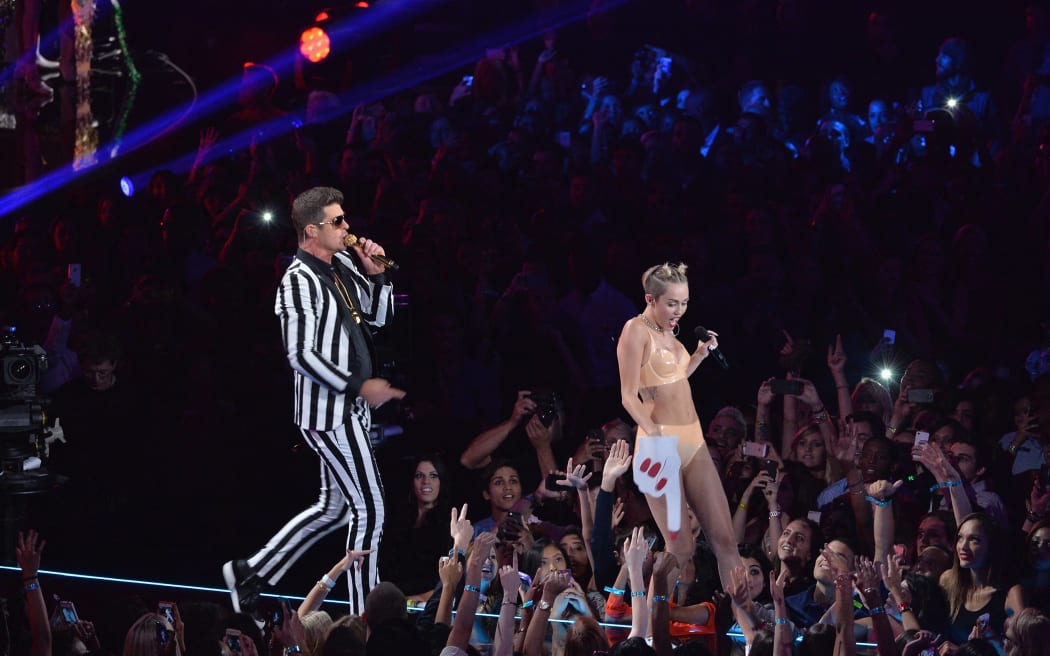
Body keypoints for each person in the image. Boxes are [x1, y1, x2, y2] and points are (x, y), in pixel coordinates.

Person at [223, 186, 405, 616]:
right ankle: (366, 617)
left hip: (349, 409)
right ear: (311, 230)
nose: (347, 227)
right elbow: (301, 354)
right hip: (330, 413)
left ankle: (249, 569)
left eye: (345, 218)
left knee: (334, 508)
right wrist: (360, 387)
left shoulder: (342, 262)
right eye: (337, 221)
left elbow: (379, 318)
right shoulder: (297, 281)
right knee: (371, 509)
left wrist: (377, 274)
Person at [615, 262, 743, 588]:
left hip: (693, 439)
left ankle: (746, 625)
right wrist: (653, 431)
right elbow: (628, 396)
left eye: (684, 303)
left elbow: (673, 379)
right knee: (681, 547)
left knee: (725, 540)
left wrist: (698, 356)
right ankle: (652, 624)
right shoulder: (636, 330)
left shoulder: (667, 332)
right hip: (658, 444)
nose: (680, 310)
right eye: (672, 303)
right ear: (651, 298)